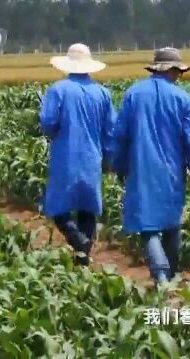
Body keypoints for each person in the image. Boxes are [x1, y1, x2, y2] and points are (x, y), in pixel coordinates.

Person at [110, 47, 190, 284]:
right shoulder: (182, 98)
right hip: (172, 170)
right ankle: (170, 274)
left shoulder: (133, 94)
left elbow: (120, 135)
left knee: (148, 225)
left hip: (141, 168)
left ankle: (162, 276)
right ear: (174, 71)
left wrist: (119, 165)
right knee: (171, 222)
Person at [39, 43, 116, 266]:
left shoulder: (58, 90)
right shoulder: (102, 93)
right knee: (87, 208)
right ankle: (83, 258)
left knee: (57, 207)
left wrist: (51, 130)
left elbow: (48, 123)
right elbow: (110, 130)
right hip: (92, 157)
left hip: (66, 156)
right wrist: (109, 158)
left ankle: (77, 240)